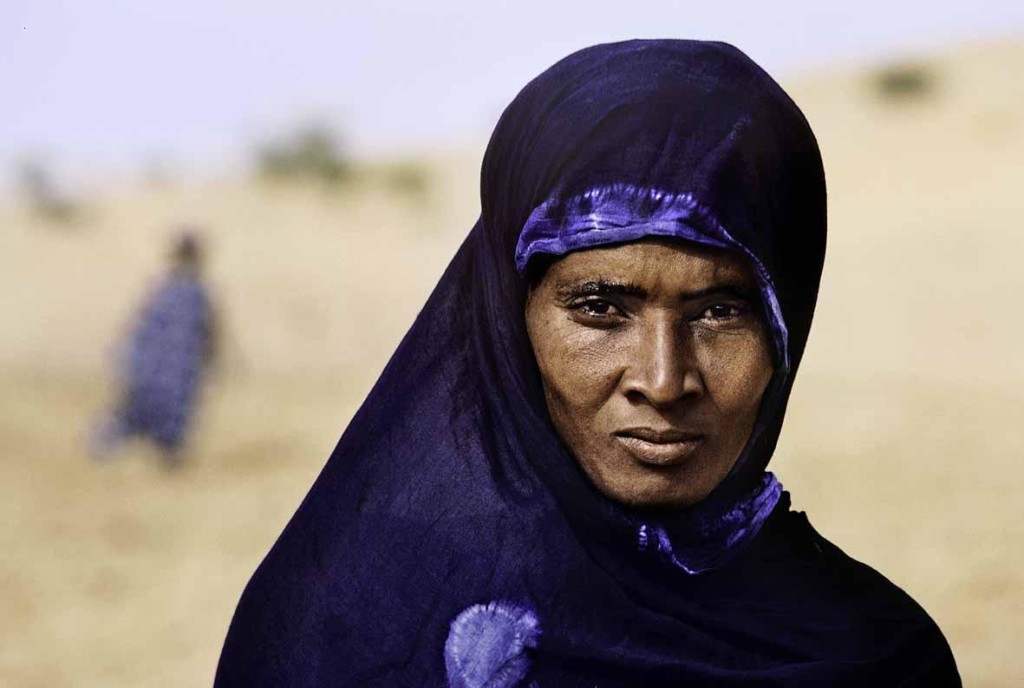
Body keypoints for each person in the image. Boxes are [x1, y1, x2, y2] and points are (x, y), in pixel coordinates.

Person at [214, 40, 960, 686]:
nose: (664, 381)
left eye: (721, 312)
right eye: (601, 309)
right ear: (511, 319)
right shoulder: (350, 624)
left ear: (785, 325)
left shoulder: (877, 657)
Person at [90, 230, 216, 467]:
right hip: (167, 370)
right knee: (148, 413)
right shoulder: (184, 292)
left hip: (168, 370)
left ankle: (162, 454)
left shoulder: (171, 290)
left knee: (156, 414)